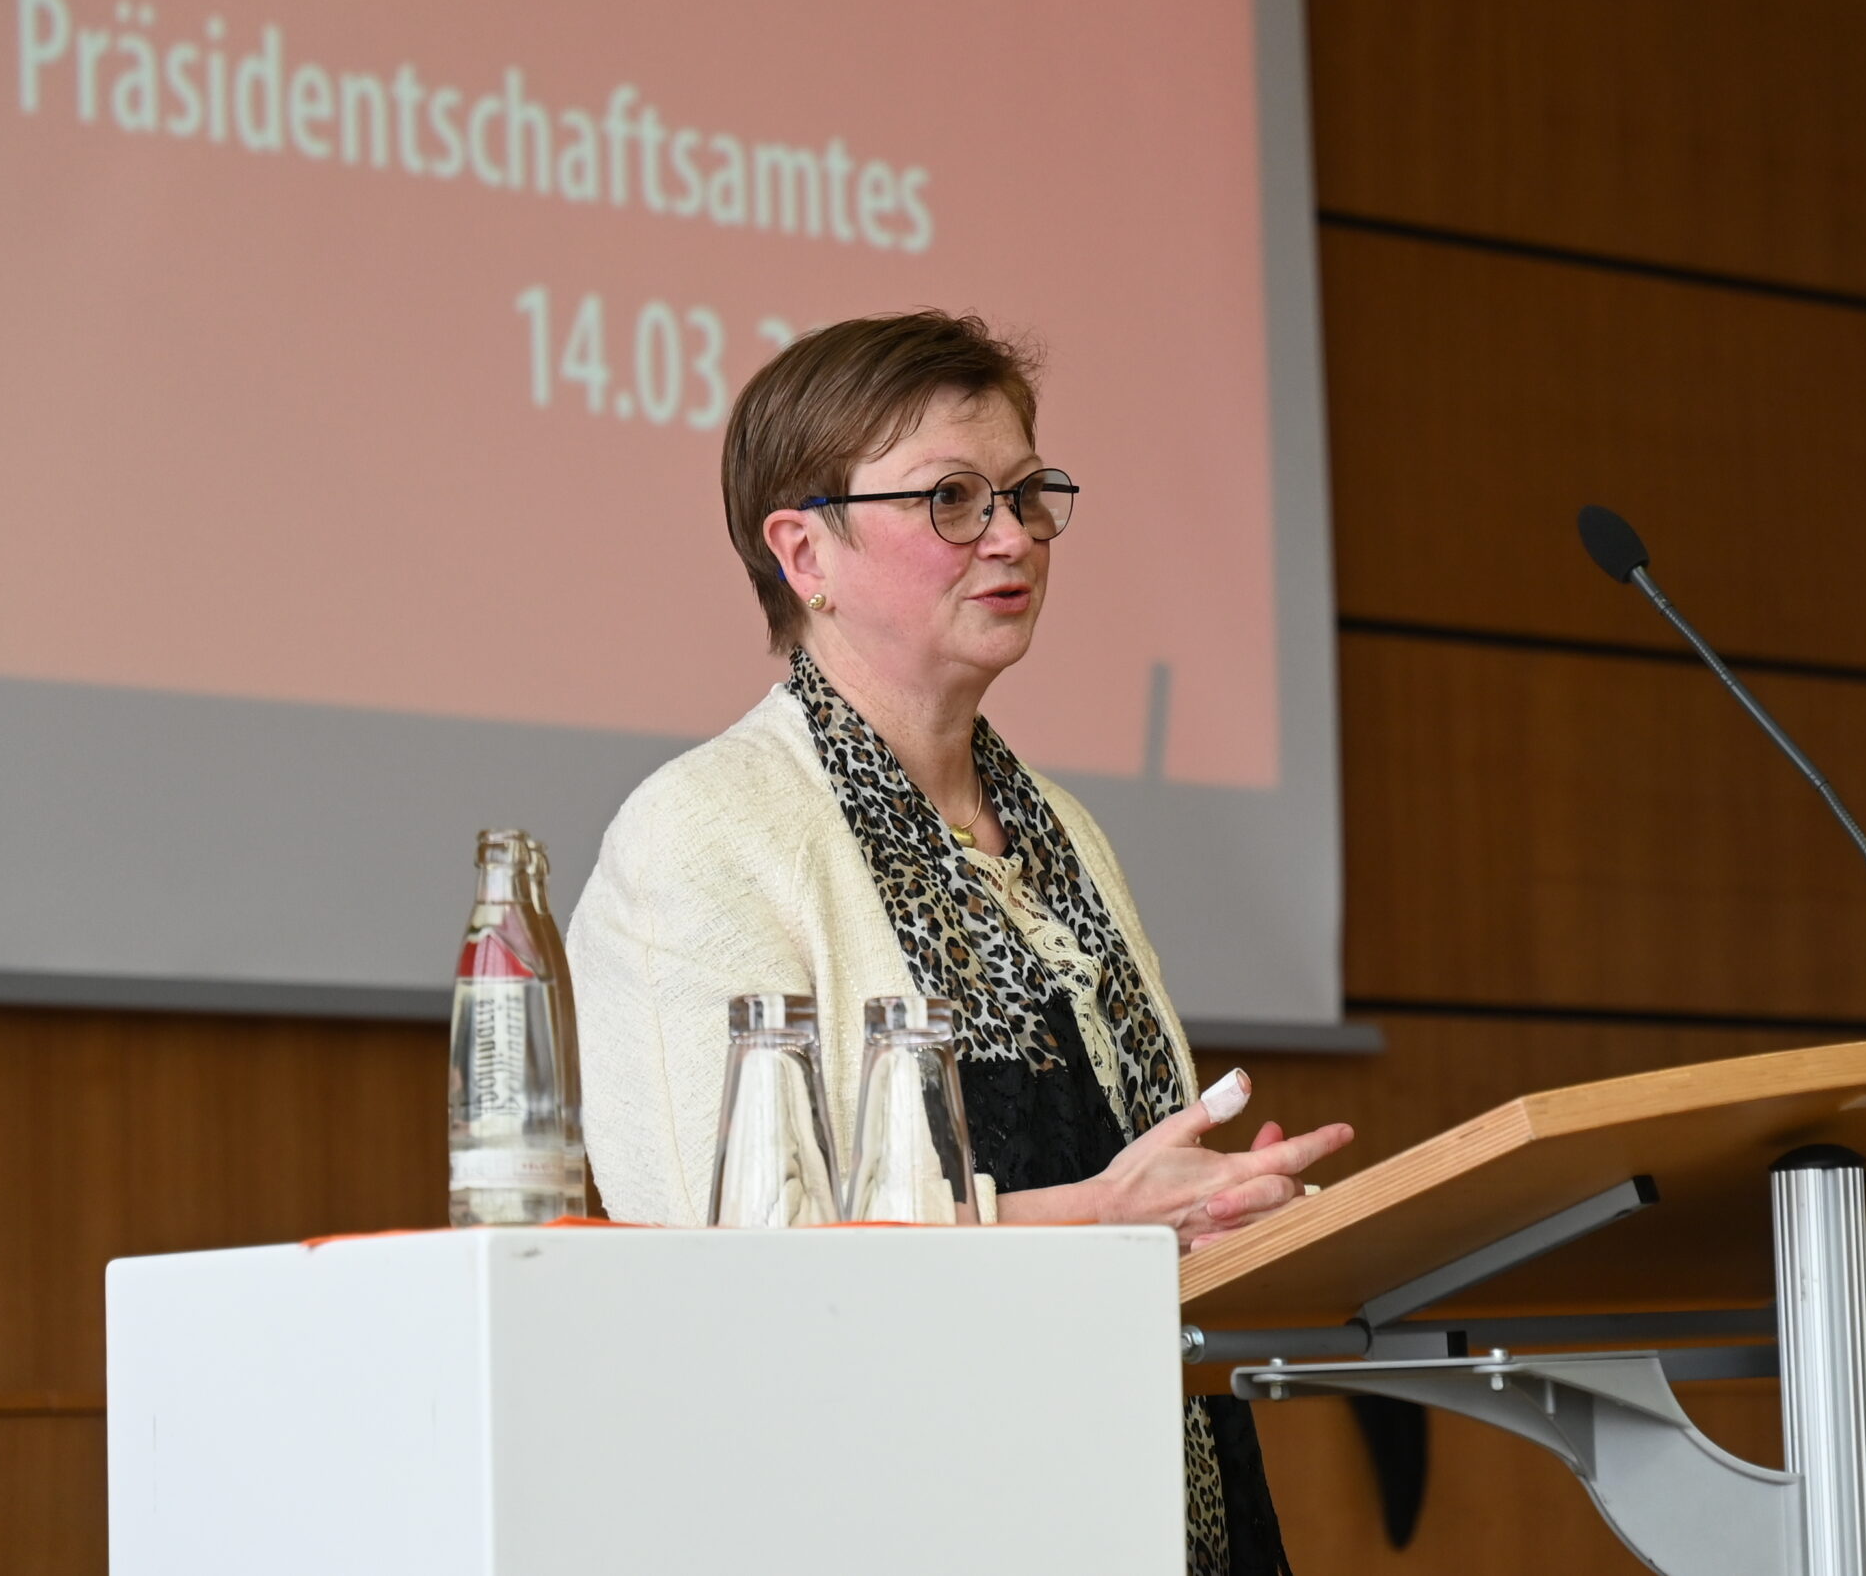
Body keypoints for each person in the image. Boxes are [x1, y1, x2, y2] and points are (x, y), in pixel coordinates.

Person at [566, 309, 1354, 1575]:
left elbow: (1125, 1178)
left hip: (1151, 1484)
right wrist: (1098, 1222)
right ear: (802, 549)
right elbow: (713, 1266)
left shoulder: (1065, 833)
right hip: (894, 1507)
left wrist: (1214, 1212)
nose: (1009, 536)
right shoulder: (704, 835)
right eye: (950, 499)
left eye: (1026, 494)